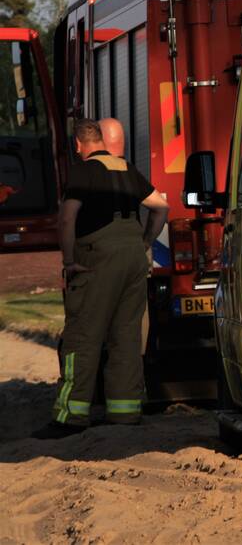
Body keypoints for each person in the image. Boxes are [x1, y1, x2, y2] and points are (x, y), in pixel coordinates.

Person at [32, 119, 169, 439]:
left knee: (83, 335)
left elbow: (67, 218)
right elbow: (161, 207)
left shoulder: (83, 172)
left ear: (79, 145)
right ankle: (124, 412)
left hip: (96, 261)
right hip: (134, 259)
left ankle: (70, 415)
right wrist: (146, 241)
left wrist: (69, 261)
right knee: (126, 336)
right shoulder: (126, 169)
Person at [99, 117, 151, 356]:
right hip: (135, 254)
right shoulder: (131, 173)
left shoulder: (90, 175)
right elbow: (160, 206)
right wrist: (147, 241)